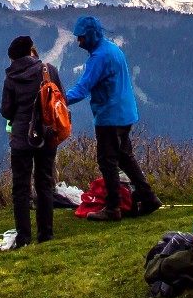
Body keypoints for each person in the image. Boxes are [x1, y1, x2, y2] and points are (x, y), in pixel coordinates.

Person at [64, 15, 159, 220]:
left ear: (89, 35)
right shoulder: (112, 49)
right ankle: (148, 196)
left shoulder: (99, 57)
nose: (78, 41)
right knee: (125, 156)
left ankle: (113, 207)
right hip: (125, 113)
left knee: (107, 161)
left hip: (110, 115)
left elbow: (82, 88)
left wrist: (58, 100)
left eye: (81, 37)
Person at [0, 35, 62, 246]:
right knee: (44, 183)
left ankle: (23, 237)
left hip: (21, 139)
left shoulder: (10, 79)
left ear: (13, 58)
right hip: (46, 135)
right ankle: (46, 235)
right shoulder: (48, 70)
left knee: (21, 188)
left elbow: (6, 111)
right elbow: (61, 99)